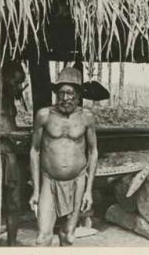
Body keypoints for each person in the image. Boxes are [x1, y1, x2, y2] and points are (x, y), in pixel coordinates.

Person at [29, 67, 98, 246]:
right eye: (61, 93)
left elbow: (93, 151)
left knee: (68, 235)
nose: (65, 98)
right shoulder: (44, 115)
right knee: (43, 237)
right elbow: (34, 150)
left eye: (70, 93)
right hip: (49, 181)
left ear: (78, 94)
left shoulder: (87, 117)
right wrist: (36, 190)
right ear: (55, 94)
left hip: (77, 181)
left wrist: (88, 191)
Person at [0, 60, 27, 246]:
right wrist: (13, 134)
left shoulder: (9, 99)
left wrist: (17, 134)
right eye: (15, 81)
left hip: (10, 155)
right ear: (3, 77)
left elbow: (9, 125)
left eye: (20, 83)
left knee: (14, 203)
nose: (17, 86)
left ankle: (11, 243)